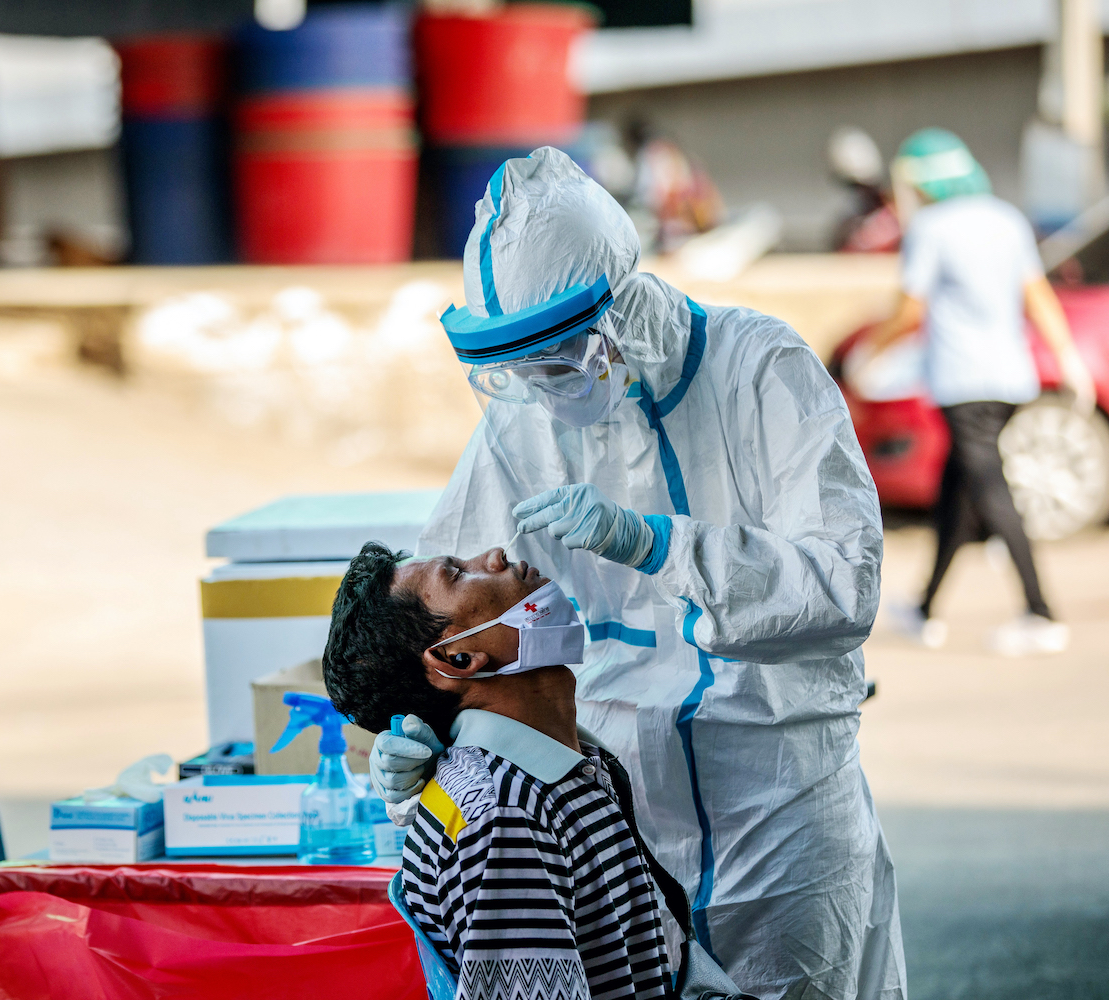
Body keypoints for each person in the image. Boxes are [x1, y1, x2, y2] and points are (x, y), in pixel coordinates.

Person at [371, 147, 903, 1000]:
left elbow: (845, 587)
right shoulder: (526, 415)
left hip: (783, 809)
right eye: (518, 369)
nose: (543, 392)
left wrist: (660, 545)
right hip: (616, 823)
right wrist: (414, 731)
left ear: (621, 308)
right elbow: (444, 617)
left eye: (557, 359)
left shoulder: (759, 368)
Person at [324, 543, 680, 1000]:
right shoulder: (503, 818)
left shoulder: (560, 768)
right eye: (456, 573)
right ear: (457, 659)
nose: (493, 556)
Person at [858, 127, 1096, 655]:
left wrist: (869, 350)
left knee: (991, 491)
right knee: (955, 492)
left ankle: (1040, 612)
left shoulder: (932, 227)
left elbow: (910, 309)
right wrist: (1067, 359)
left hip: (963, 384)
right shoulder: (1006, 218)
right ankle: (925, 608)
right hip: (1011, 380)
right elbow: (1037, 295)